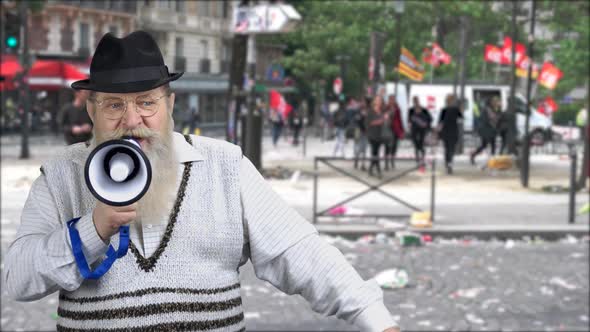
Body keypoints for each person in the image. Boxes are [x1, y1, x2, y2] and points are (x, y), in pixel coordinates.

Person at [3, 31, 400, 332]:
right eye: (113, 105)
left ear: (170, 104)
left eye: (146, 102)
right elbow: (18, 279)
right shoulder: (60, 175)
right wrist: (92, 230)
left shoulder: (224, 165)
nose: (132, 120)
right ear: (91, 110)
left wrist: (376, 318)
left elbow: (300, 253)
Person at [471, 96, 501, 164]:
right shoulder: (486, 109)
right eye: (495, 102)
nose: (496, 103)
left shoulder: (495, 109)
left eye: (497, 101)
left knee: (492, 145)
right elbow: (485, 120)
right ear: (491, 102)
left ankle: (492, 160)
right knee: (484, 145)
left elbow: (497, 117)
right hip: (485, 130)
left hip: (492, 130)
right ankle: (473, 155)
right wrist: (492, 122)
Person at [438, 94, 463, 174]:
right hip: (453, 131)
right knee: (451, 149)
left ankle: (448, 164)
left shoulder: (444, 110)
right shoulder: (456, 109)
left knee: (447, 149)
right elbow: (461, 119)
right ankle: (449, 164)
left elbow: (440, 122)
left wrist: (438, 131)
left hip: (446, 131)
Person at [408, 96, 432, 164]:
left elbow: (430, 119)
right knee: (416, 145)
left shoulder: (424, 110)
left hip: (422, 130)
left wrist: (426, 124)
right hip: (414, 130)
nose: (416, 102)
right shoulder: (411, 110)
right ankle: (417, 159)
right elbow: (409, 120)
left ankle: (422, 159)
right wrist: (410, 123)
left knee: (421, 145)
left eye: (416, 101)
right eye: (414, 101)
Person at [384, 95, 404, 170]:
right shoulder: (386, 108)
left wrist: (402, 130)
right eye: (391, 99)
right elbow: (384, 117)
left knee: (394, 146)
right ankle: (386, 163)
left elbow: (399, 119)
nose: (392, 101)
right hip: (388, 128)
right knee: (387, 146)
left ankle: (392, 160)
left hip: (396, 129)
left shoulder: (397, 108)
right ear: (389, 100)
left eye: (393, 99)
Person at [367, 96, 386, 178]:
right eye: (377, 100)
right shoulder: (370, 111)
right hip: (372, 135)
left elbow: (383, 122)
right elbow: (369, 123)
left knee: (375, 153)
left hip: (379, 134)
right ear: (374, 102)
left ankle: (371, 169)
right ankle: (378, 171)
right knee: (375, 153)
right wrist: (381, 121)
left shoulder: (381, 111)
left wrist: (385, 119)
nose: (379, 102)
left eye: (380, 100)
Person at [353, 96, 370, 171]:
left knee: (365, 148)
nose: (363, 103)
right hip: (358, 130)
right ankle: (356, 159)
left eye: (364, 102)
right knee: (358, 146)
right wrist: (361, 116)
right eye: (362, 101)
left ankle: (363, 164)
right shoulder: (358, 110)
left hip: (366, 131)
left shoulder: (369, 110)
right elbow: (356, 119)